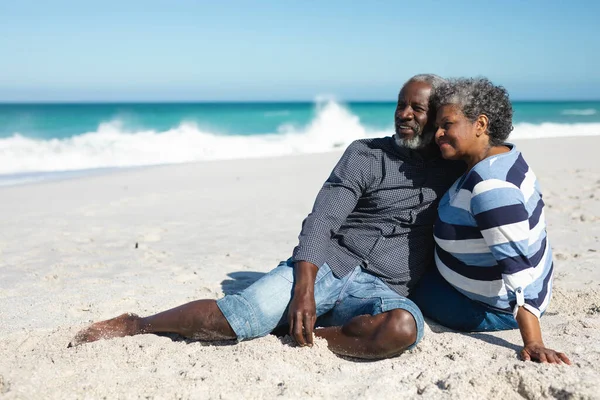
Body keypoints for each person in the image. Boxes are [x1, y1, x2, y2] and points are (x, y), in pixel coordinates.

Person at [70, 74, 464, 360]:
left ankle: (302, 329)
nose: (404, 114)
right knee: (240, 318)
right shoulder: (365, 154)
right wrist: (304, 289)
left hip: (382, 289)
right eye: (401, 104)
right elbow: (321, 221)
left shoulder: (454, 168)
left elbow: (496, 166)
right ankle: (137, 323)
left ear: (440, 119)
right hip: (330, 266)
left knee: (402, 330)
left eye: (418, 108)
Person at [410, 78, 571, 365]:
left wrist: (533, 342)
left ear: (481, 125)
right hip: (534, 283)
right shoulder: (507, 155)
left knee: (399, 283)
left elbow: (516, 268)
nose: (438, 134)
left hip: (484, 306)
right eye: (437, 126)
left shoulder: (490, 188)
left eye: (447, 124)